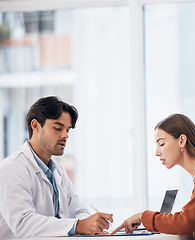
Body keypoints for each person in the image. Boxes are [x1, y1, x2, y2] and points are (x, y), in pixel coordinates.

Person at [0, 96, 113, 239]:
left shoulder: (58, 171)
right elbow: (23, 224)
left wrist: (91, 226)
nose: (65, 135)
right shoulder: (12, 169)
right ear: (35, 126)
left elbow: (79, 211)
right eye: (58, 128)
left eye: (67, 130)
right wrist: (78, 226)